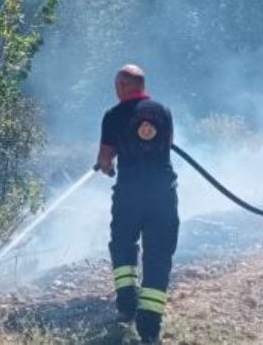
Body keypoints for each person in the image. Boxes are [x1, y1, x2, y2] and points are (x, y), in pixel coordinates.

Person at [93, 64, 179, 344]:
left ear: (122, 86)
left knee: (122, 246)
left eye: (118, 84)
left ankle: (126, 305)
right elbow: (167, 144)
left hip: (130, 194)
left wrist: (106, 165)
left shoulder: (113, 116)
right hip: (163, 194)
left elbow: (106, 159)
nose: (116, 89)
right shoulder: (163, 111)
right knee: (159, 256)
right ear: (142, 86)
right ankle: (150, 329)